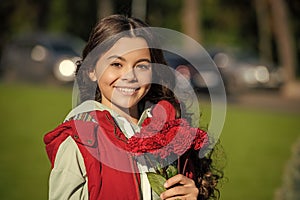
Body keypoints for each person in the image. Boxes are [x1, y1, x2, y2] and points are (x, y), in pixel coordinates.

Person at [44, 14, 222, 200]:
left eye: (142, 66)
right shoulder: (77, 141)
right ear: (91, 70)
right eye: (116, 64)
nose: (130, 76)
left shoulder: (172, 132)